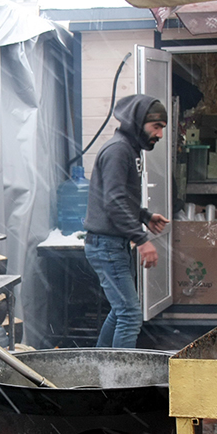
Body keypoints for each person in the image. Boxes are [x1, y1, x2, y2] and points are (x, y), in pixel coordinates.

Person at [83, 94, 170, 348]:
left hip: (112, 243)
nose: (160, 135)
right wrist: (141, 239)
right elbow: (113, 201)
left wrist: (144, 216)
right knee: (130, 316)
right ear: (138, 122)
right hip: (106, 245)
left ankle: (99, 369)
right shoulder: (118, 150)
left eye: (162, 128)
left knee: (121, 311)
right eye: (156, 127)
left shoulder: (130, 149)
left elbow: (121, 197)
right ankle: (119, 382)